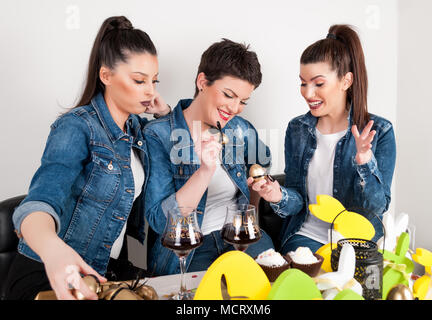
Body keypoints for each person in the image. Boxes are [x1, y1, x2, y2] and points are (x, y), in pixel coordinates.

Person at [4, 16, 170, 300]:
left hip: (107, 275)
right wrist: (53, 250)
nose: (150, 91)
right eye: (139, 80)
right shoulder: (76, 127)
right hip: (50, 274)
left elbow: (134, 220)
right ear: (106, 76)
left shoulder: (138, 132)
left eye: (154, 81)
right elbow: (39, 202)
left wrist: (164, 114)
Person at [248, 24, 396, 254]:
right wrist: (277, 195)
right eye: (303, 83)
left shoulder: (379, 131)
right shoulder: (297, 129)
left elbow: (376, 208)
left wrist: (365, 161)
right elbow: (297, 201)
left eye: (318, 83)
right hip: (305, 239)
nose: (308, 93)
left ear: (346, 81)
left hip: (355, 244)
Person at [144, 39, 274, 276]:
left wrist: (250, 220)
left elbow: (261, 166)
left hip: (239, 237)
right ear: (202, 82)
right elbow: (159, 222)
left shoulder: (241, 129)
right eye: (228, 95)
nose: (234, 108)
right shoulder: (159, 135)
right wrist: (204, 171)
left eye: (243, 101)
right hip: (192, 248)